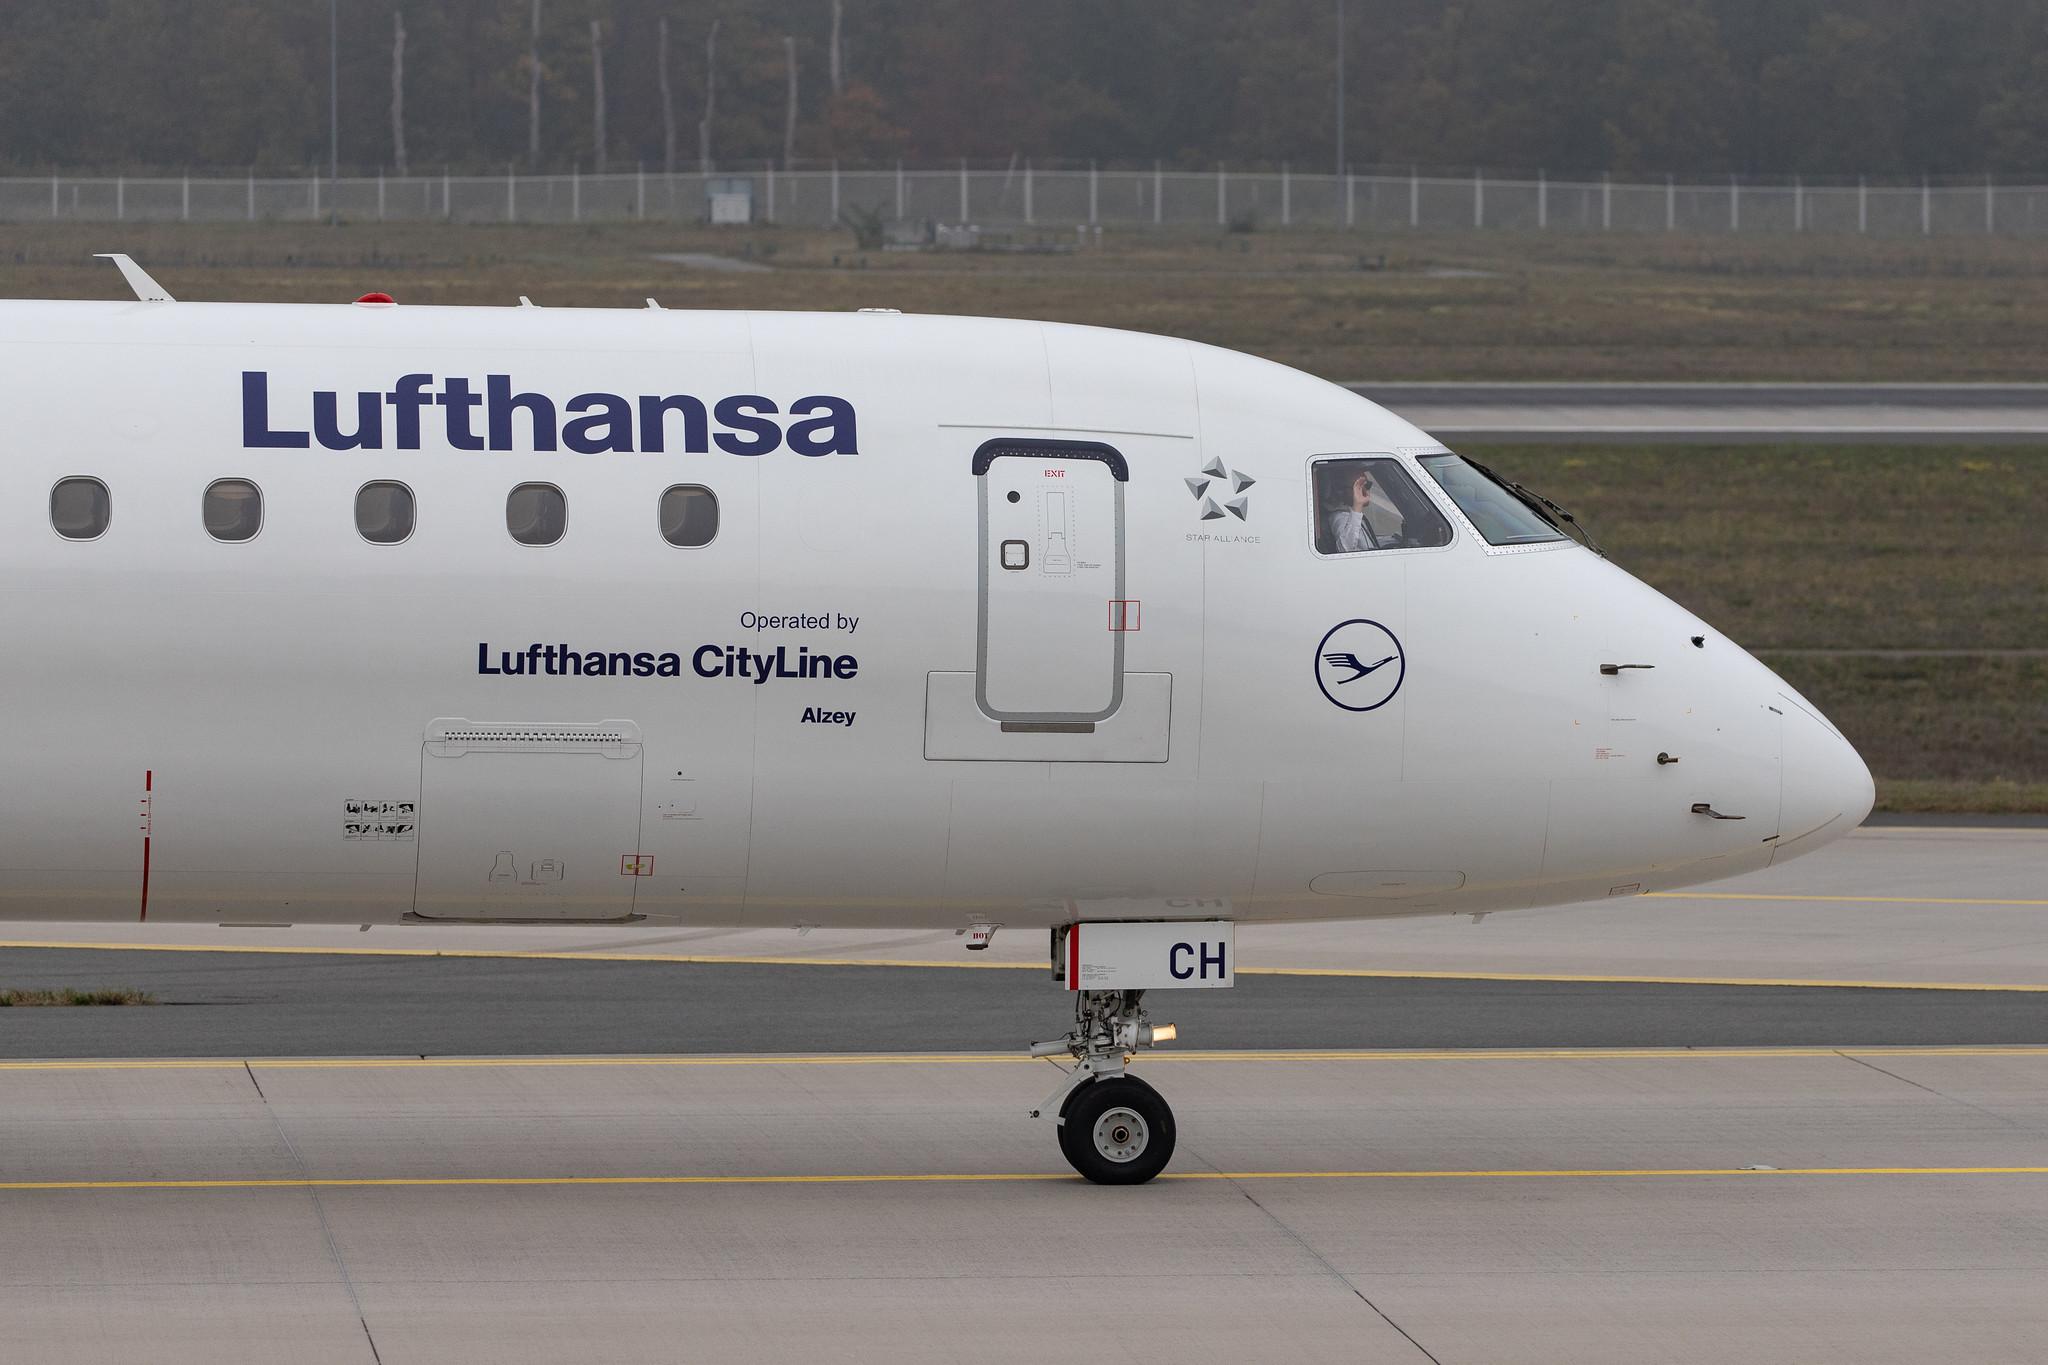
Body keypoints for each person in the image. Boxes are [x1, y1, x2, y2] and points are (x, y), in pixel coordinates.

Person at [1324, 468, 1382, 553]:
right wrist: (1357, 506)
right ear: (1341, 491)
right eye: (1359, 487)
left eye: (1368, 485)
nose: (1366, 490)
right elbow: (1345, 549)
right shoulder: (1339, 517)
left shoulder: (1352, 514)